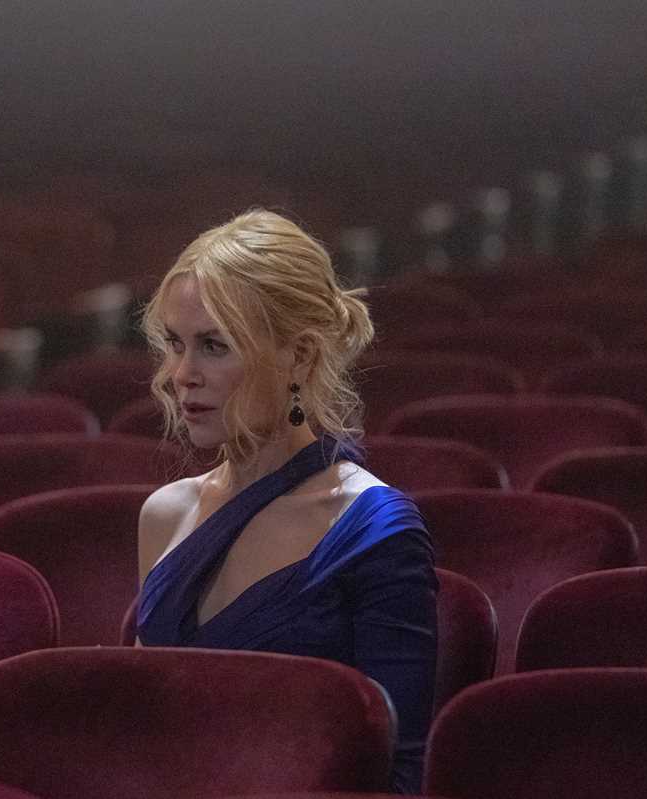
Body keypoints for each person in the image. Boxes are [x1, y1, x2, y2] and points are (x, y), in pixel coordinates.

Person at [134, 208, 437, 794]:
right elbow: (148, 744)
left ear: (299, 355)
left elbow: (398, 772)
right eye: (174, 344)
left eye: (214, 346)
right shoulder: (163, 514)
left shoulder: (377, 528)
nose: (181, 374)